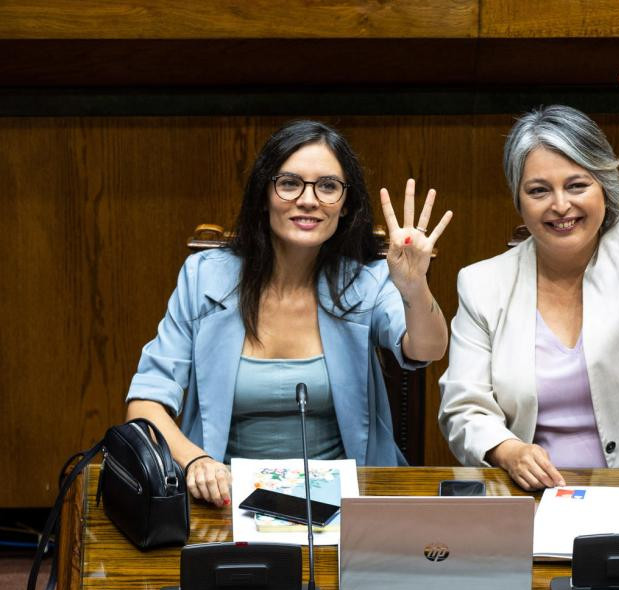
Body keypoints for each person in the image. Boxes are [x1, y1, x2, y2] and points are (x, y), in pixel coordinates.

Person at [126, 119, 451, 505]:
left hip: (349, 502)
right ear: (264, 193)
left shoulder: (366, 281)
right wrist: (196, 461)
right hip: (224, 502)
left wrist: (414, 285)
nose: (309, 199)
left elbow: (427, 349)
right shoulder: (204, 278)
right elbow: (145, 403)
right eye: (290, 183)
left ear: (346, 206)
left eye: (328, 186)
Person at [438, 56, 619, 490]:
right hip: (539, 496)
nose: (560, 205)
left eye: (577, 185)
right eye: (538, 190)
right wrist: (507, 449)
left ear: (603, 188)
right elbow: (463, 407)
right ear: (519, 201)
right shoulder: (482, 283)